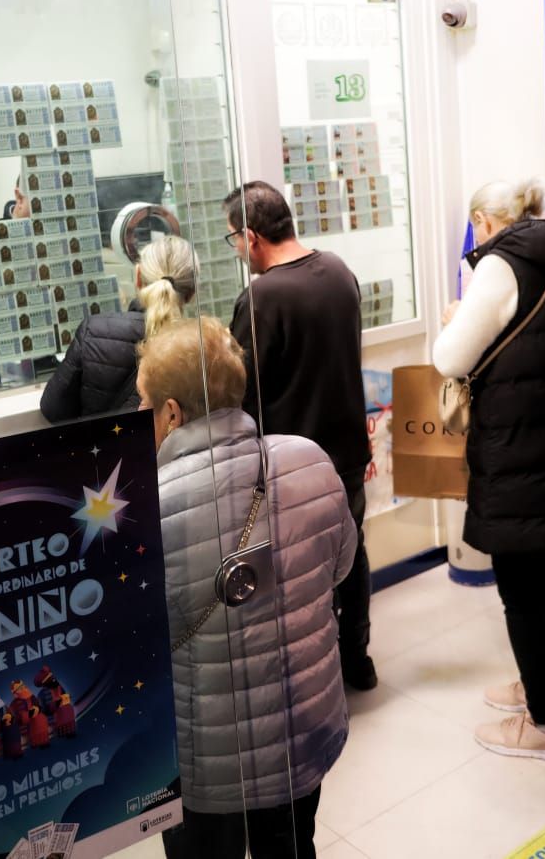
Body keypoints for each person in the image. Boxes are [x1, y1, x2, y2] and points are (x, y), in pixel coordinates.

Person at [139, 317, 356, 859]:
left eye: (144, 404)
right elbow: (340, 568)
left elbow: (143, 645)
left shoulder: (148, 509)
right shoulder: (310, 459)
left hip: (205, 763)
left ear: (171, 412)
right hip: (302, 737)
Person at [432, 178, 545, 761]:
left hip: (518, 450)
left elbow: (450, 357)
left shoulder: (500, 267)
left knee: (521, 586)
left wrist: (456, 316)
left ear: (485, 220)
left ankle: (542, 727)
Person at [223, 181, 376, 690]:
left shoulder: (262, 296)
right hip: (348, 453)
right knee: (350, 555)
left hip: (292, 464)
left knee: (301, 572)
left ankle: (315, 678)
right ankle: (358, 658)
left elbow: (239, 388)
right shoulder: (339, 271)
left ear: (251, 236)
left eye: (233, 240)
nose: (238, 251)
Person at [39, 235, 197, 421]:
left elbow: (53, 408)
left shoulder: (93, 332)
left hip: (110, 449)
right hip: (173, 450)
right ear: (192, 293)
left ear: (138, 277)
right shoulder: (201, 348)